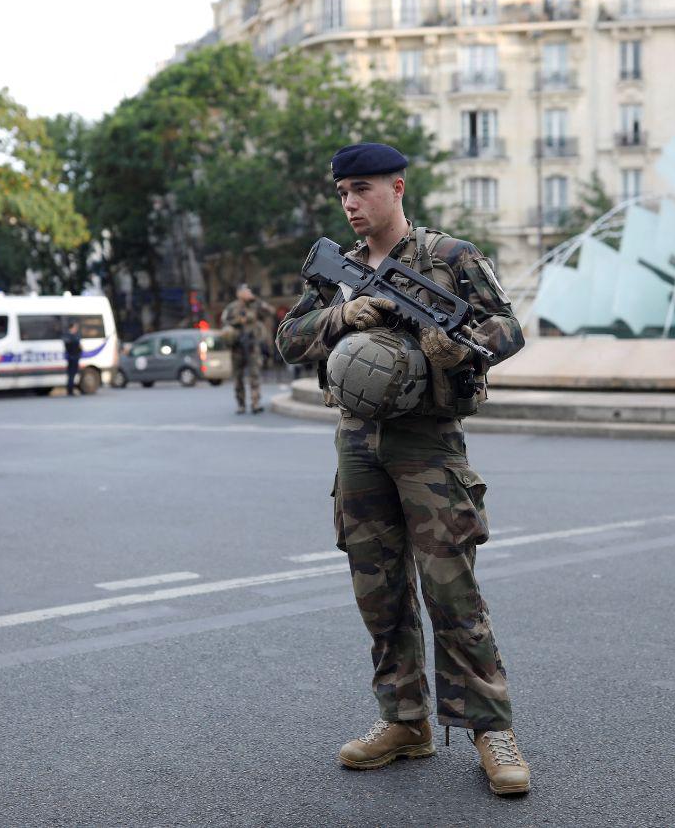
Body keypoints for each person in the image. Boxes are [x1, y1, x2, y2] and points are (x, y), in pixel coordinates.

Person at [275, 143, 530, 795]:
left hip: (427, 440)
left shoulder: (449, 258)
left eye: (362, 190)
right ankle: (405, 720)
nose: (352, 203)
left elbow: (507, 330)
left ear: (397, 188)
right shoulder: (339, 268)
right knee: (377, 587)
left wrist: (455, 350)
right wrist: (342, 314)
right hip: (358, 442)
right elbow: (289, 339)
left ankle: (491, 729)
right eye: (342, 194)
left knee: (451, 589)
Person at [221, 283, 275, 414]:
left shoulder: (255, 305)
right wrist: (239, 320)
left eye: (249, 291)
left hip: (252, 346)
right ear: (239, 293)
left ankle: (255, 403)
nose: (248, 293)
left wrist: (255, 299)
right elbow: (225, 322)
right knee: (238, 377)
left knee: (254, 375)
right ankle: (241, 404)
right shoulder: (232, 307)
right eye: (246, 291)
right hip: (237, 347)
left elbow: (270, 311)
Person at [62, 320, 82, 396]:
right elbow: (73, 347)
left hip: (74, 357)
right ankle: (70, 390)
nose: (76, 329)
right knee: (71, 374)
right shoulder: (70, 337)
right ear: (72, 327)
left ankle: (70, 390)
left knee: (72, 375)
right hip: (72, 358)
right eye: (75, 327)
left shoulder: (72, 336)